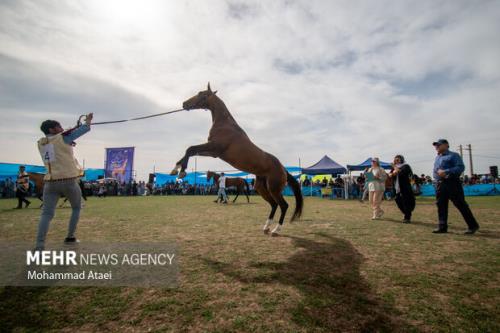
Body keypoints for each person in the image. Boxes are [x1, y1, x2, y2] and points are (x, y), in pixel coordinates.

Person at [34, 113, 93, 250]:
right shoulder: (62, 138)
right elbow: (84, 129)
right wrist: (88, 121)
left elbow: (63, 136)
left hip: (50, 182)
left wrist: (71, 129)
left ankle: (40, 244)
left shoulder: (41, 143)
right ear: (52, 130)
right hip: (68, 181)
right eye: (58, 126)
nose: (61, 128)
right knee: (77, 208)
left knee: (47, 214)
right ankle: (70, 236)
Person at [432, 139, 480, 234]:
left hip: (452, 183)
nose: (436, 147)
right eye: (435, 145)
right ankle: (442, 226)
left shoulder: (453, 155)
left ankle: (473, 226)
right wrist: (437, 179)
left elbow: (460, 167)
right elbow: (436, 170)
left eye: (438, 145)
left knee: (460, 204)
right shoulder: (437, 157)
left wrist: (446, 172)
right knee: (441, 205)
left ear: (446, 145)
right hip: (440, 184)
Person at [389, 155, 416, 223]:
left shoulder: (406, 166)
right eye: (395, 160)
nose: (396, 161)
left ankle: (407, 217)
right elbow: (390, 174)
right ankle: (406, 213)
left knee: (406, 202)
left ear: (402, 160)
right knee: (398, 201)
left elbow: (401, 173)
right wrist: (391, 174)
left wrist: (394, 168)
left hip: (405, 187)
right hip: (396, 188)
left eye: (398, 159)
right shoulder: (395, 168)